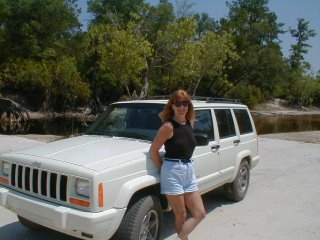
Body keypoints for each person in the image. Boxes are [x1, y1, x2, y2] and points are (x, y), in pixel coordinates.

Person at [149, 90, 206, 240]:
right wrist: (163, 167)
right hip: (172, 171)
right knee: (181, 214)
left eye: (185, 103)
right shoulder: (168, 127)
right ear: (172, 106)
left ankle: (180, 237)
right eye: (178, 103)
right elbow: (153, 150)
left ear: (189, 105)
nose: (182, 107)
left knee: (200, 213)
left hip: (189, 171)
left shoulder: (189, 123)